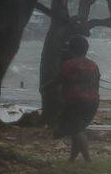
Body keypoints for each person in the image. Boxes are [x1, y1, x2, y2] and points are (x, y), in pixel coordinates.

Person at [42, 35, 101, 163]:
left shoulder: (69, 64)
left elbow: (58, 80)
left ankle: (88, 160)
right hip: (93, 102)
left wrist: (44, 87)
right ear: (86, 49)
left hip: (76, 102)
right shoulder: (93, 65)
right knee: (77, 130)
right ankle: (72, 160)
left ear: (71, 49)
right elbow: (97, 84)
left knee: (76, 130)